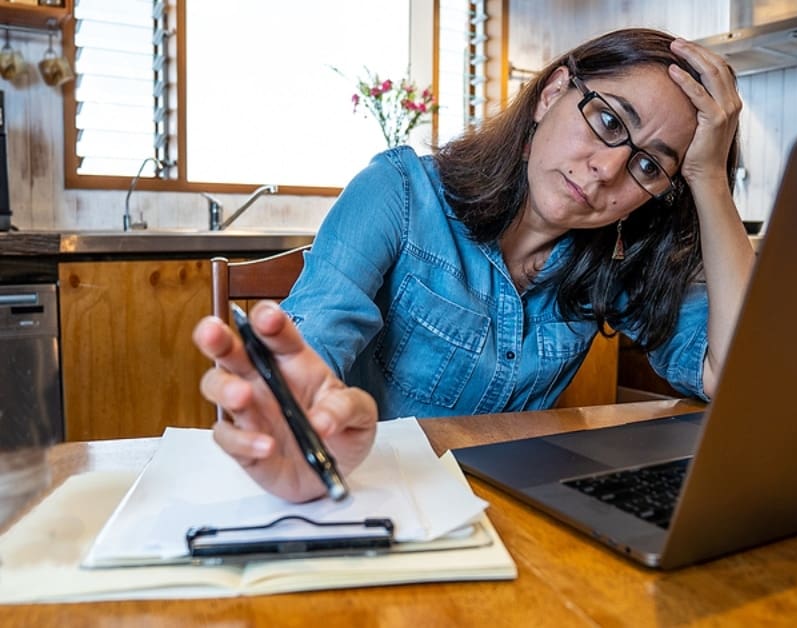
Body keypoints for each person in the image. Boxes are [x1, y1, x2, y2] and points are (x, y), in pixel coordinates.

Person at [192, 28, 755, 502]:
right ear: (552, 93)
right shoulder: (400, 193)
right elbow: (314, 338)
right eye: (609, 122)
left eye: (650, 167)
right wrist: (293, 416)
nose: (607, 170)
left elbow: (738, 379)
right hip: (374, 494)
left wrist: (708, 179)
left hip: (514, 512)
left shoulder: (614, 259)